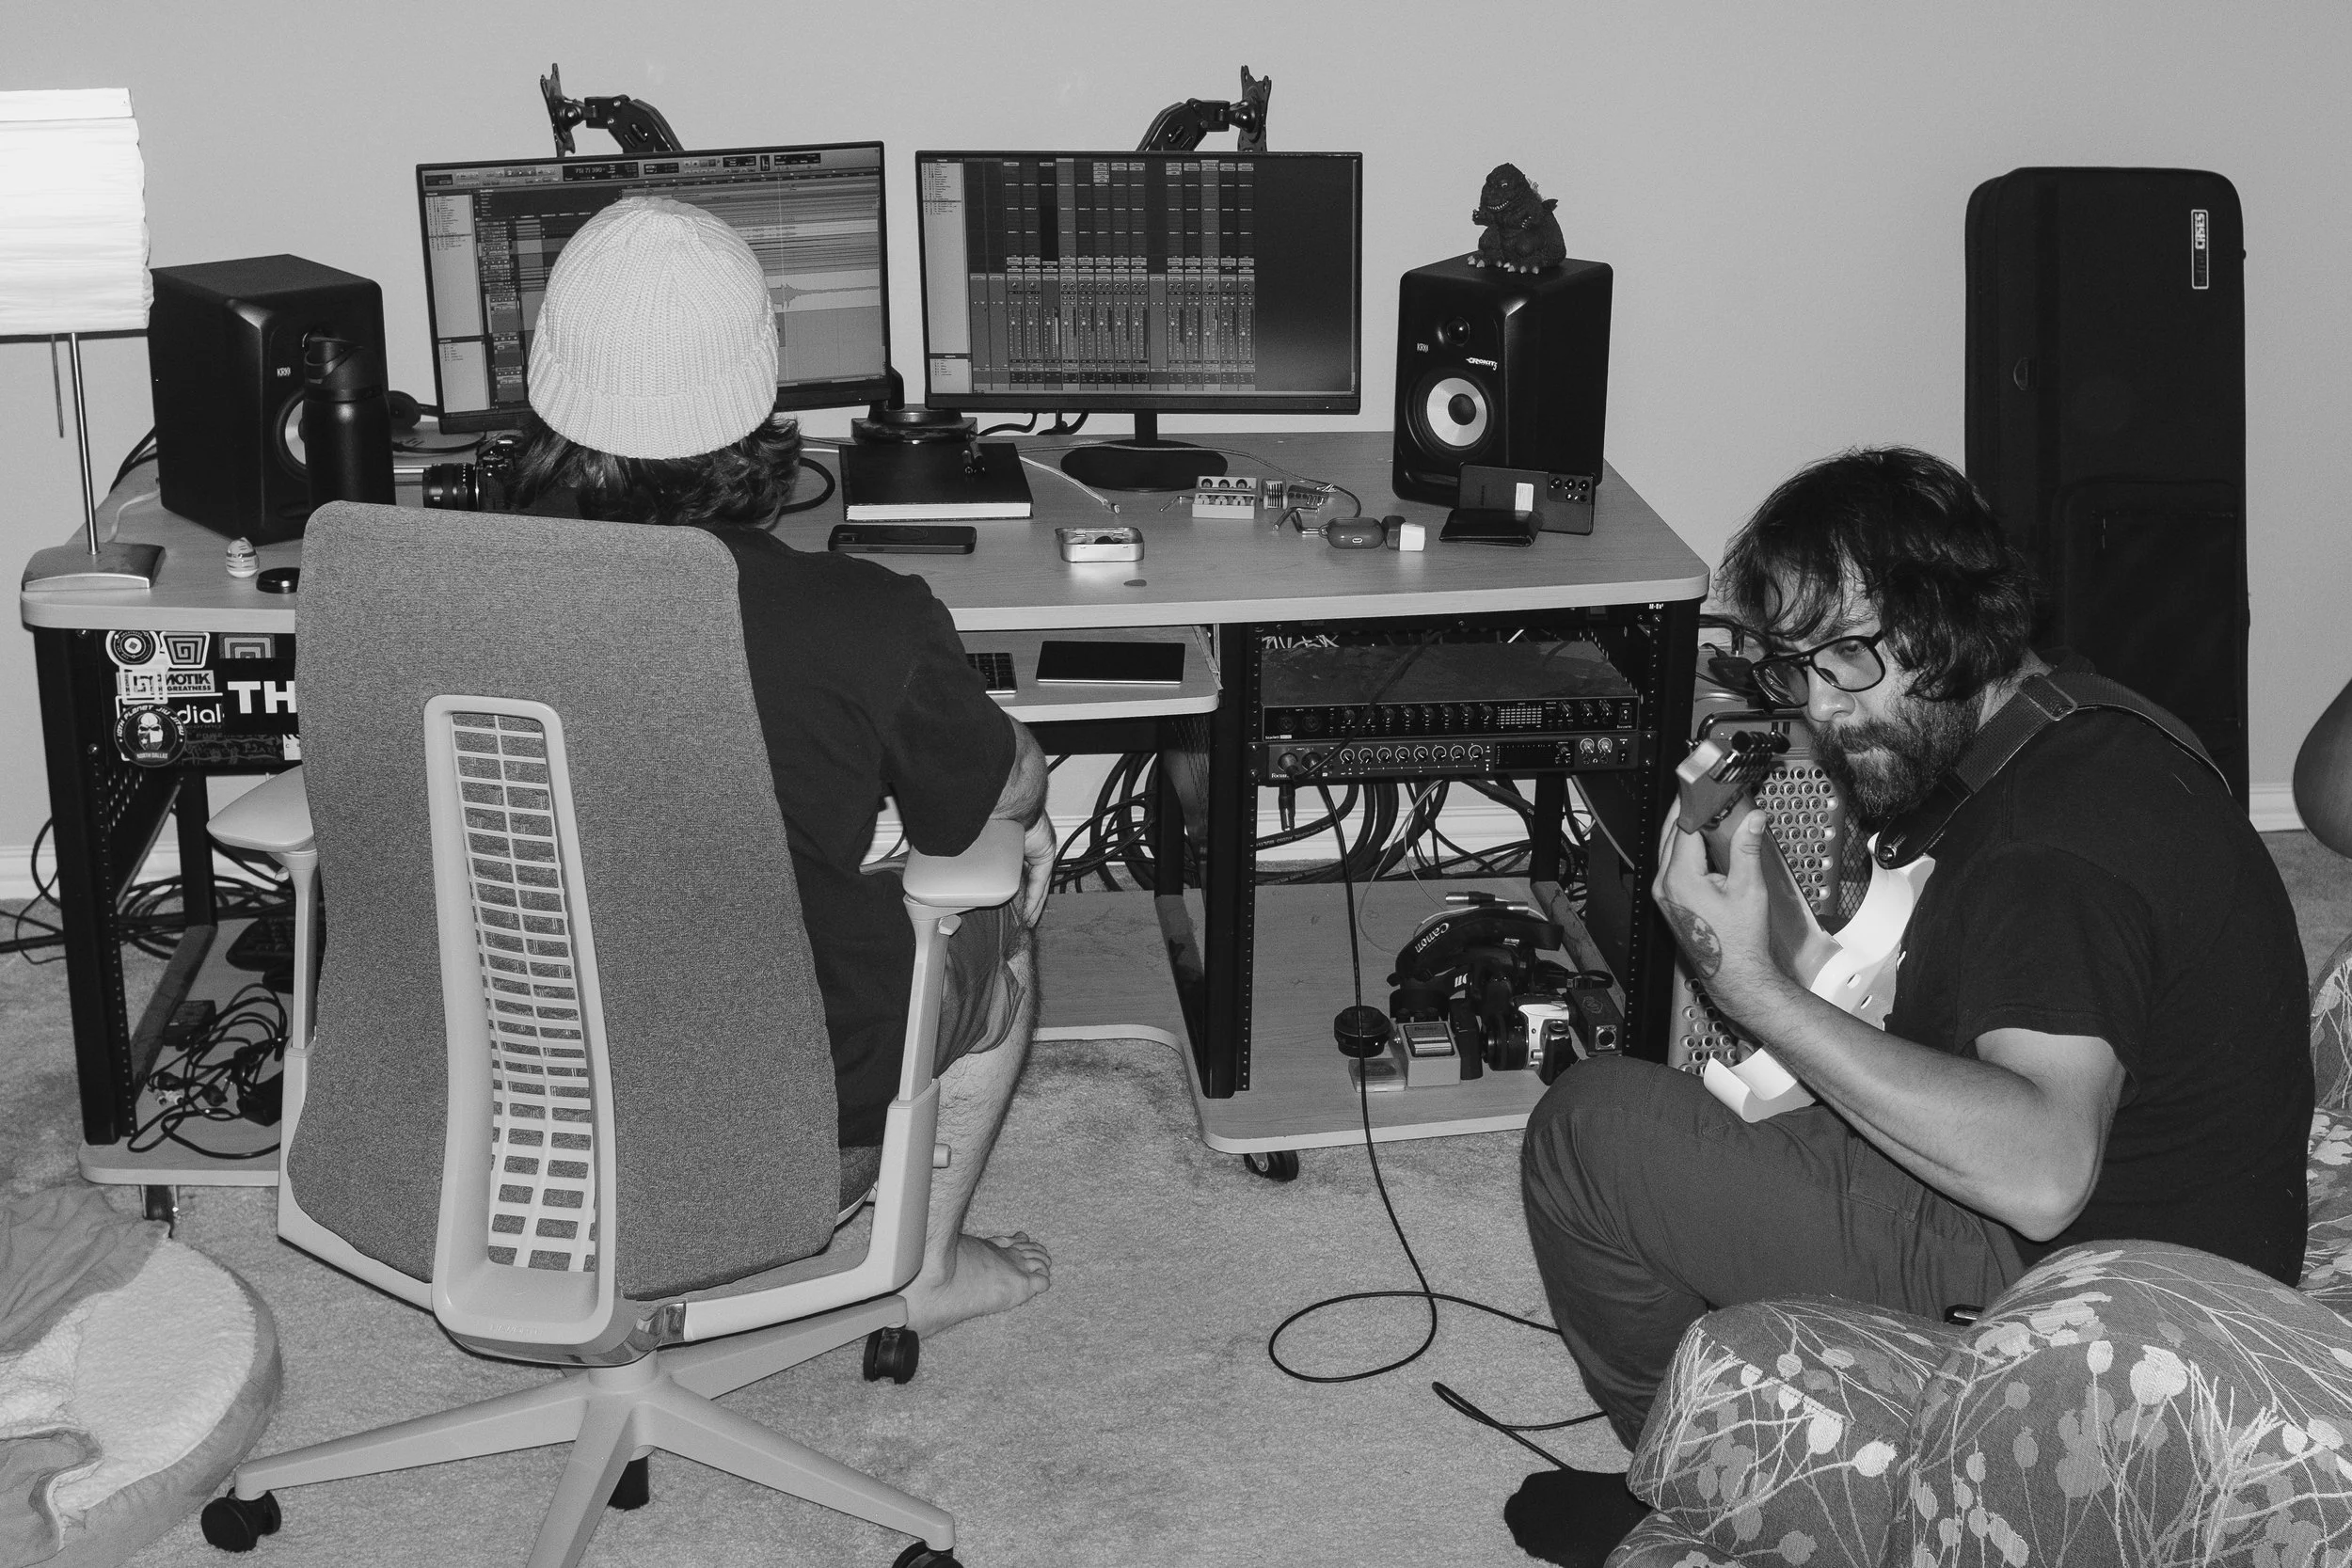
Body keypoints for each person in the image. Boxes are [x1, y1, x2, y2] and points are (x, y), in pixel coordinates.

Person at [1509, 446, 2311, 1565]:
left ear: (1957, 623)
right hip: (2194, 1223)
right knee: (1746, 1116)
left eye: (1850, 655)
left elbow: (2040, 1171)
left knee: (1590, 1135)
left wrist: (1753, 987)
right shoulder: (2074, 720)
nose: (1824, 710)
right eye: (1795, 667)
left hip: (2101, 1312)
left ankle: (1715, 1481)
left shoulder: (2048, 854)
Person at [504, 194, 1055, 1336]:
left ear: (547, 381)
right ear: (762, 396)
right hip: (777, 1114)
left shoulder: (422, 592)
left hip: (486, 1092)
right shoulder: (858, 618)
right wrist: (1015, 771)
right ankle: (926, 1272)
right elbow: (996, 801)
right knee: (998, 901)